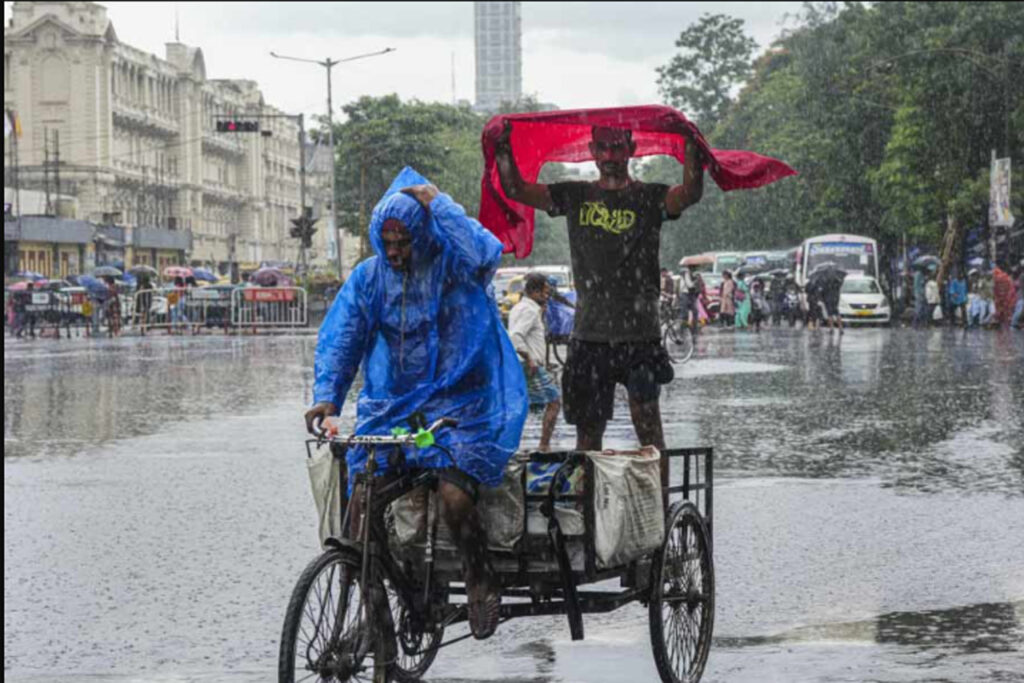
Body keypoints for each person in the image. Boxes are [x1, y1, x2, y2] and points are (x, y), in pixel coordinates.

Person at [304, 169, 527, 640]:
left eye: (403, 241)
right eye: (386, 241)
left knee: (453, 496)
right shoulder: (370, 278)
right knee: (361, 507)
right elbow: (343, 338)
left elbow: (487, 252)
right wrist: (327, 398)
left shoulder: (453, 264)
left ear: (422, 234)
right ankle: (378, 606)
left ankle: (479, 574)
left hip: (459, 401)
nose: (394, 252)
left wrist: (438, 201)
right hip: (394, 407)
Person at [494, 123, 704, 464]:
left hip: (640, 336)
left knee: (649, 433)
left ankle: (658, 512)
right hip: (590, 337)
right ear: (592, 152)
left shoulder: (650, 196)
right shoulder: (575, 194)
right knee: (587, 437)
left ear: (631, 149)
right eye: (603, 149)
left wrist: (692, 147)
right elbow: (516, 189)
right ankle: (586, 511)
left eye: (618, 148)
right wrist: (503, 148)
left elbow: (690, 193)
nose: (610, 157)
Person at [509, 272, 561, 451]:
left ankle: (512, 443)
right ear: (534, 292)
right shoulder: (529, 311)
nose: (547, 296)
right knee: (554, 402)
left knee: (522, 406)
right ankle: (544, 445)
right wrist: (530, 359)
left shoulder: (522, 308)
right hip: (529, 365)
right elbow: (516, 337)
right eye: (545, 292)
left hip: (522, 365)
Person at [679, 266, 700, 334]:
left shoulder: (687, 274)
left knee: (689, 312)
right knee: (687, 312)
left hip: (687, 295)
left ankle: (687, 327)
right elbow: (690, 285)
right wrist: (695, 282)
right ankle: (688, 327)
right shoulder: (686, 273)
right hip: (686, 294)